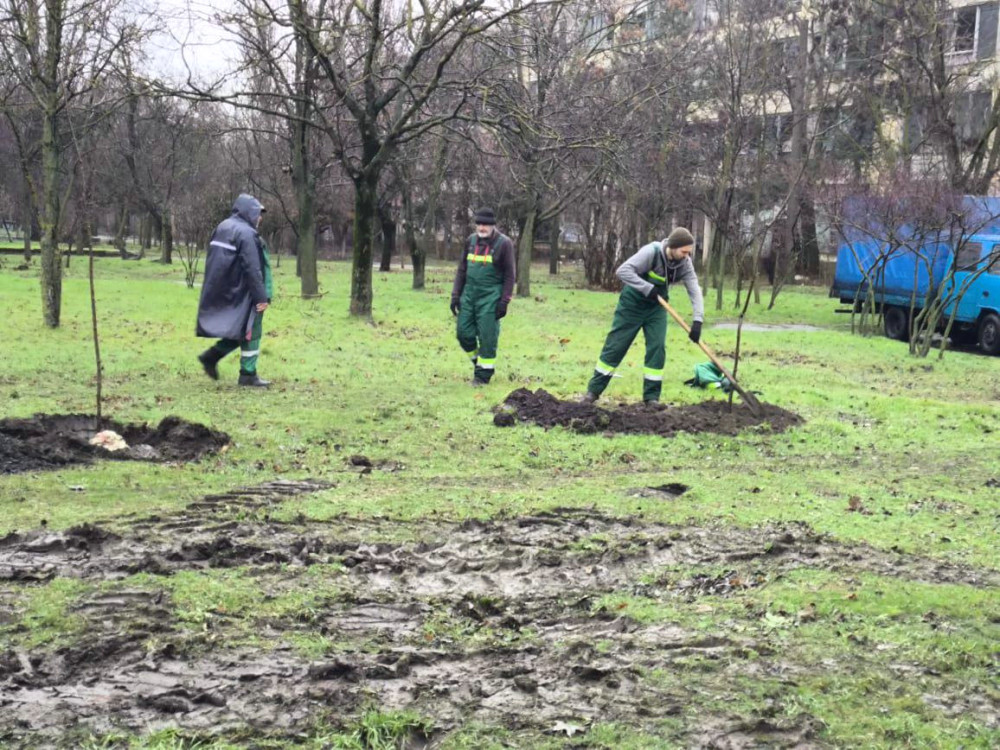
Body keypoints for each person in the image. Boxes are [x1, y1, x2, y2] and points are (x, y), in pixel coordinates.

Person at [581, 226, 704, 404]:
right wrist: (647, 288)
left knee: (657, 347)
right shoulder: (651, 252)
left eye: (689, 252)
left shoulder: (685, 263)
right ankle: (593, 392)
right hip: (632, 305)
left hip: (656, 308)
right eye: (684, 252)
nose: (687, 256)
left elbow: (694, 289)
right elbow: (622, 271)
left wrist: (698, 320)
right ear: (673, 246)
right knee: (616, 346)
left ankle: (651, 399)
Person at [196, 193, 274, 387]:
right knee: (251, 331)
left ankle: (211, 356)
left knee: (240, 329)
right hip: (247, 292)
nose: (260, 218)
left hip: (228, 289)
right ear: (248, 212)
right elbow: (253, 268)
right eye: (257, 213)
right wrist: (261, 297)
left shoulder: (222, 227)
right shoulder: (247, 234)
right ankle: (248, 374)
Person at [450, 208, 516, 386]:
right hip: (468, 295)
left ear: (493, 225)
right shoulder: (470, 241)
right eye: (479, 224)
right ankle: (479, 361)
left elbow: (510, 275)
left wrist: (504, 301)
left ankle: (482, 377)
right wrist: (455, 295)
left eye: (485, 224)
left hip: (491, 297)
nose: (482, 227)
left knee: (487, 337)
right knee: (463, 333)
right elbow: (462, 270)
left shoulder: (504, 244)